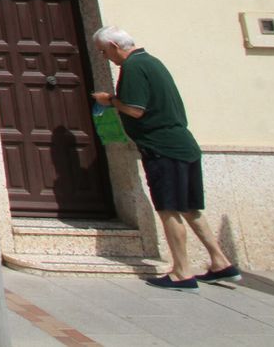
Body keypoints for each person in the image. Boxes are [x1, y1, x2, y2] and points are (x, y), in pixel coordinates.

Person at [91, 25, 241, 291]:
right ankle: (220, 262)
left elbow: (136, 110)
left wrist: (109, 100)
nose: (105, 58)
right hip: (183, 144)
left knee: (169, 209)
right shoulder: (153, 62)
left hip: (163, 148)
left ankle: (182, 271)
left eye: (104, 51)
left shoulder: (134, 68)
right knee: (190, 208)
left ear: (114, 46)